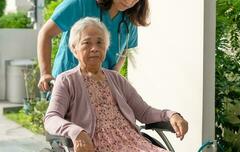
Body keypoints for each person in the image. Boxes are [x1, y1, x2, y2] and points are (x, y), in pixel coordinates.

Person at [44, 17, 189, 152]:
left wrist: (172, 115)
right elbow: (51, 118)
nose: (94, 48)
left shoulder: (116, 79)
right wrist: (76, 132)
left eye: (100, 42)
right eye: (87, 43)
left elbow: (145, 113)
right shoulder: (67, 80)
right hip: (96, 146)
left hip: (135, 143)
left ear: (106, 48)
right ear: (74, 49)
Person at [37, 0, 151, 91]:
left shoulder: (130, 20)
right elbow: (46, 33)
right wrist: (45, 72)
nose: (129, 1)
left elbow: (123, 50)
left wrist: (114, 76)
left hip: (100, 91)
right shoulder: (80, 3)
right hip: (68, 87)